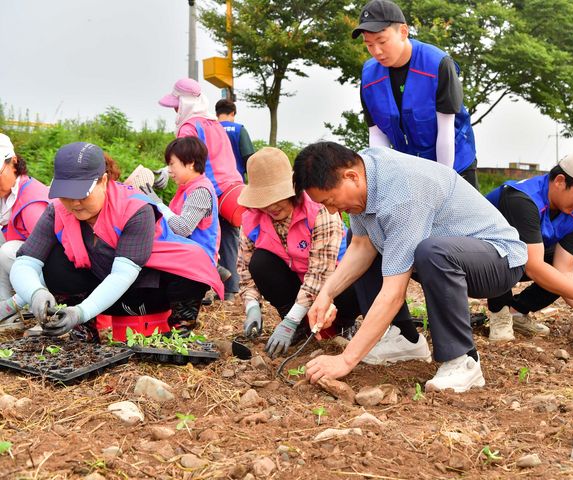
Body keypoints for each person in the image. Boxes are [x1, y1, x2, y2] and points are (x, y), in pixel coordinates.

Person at [292, 142, 528, 393]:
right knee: (359, 237)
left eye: (330, 200)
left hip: (497, 258)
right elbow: (362, 246)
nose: (331, 210)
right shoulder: (365, 176)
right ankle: (405, 338)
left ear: (351, 176)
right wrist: (326, 294)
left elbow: (393, 293)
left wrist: (346, 359)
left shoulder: (402, 195)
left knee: (432, 252)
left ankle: (464, 361)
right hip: (448, 253)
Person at [9, 142, 223, 339]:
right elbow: (25, 262)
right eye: (66, 194)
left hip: (149, 292)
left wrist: (81, 311)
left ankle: (179, 331)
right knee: (54, 259)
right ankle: (83, 331)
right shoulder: (57, 210)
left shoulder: (135, 208)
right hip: (100, 295)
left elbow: (123, 274)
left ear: (103, 181)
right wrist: (35, 293)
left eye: (82, 194)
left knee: (191, 263)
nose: (74, 203)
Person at [237, 147, 359, 357]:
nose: (271, 206)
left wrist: (289, 321)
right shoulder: (251, 220)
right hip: (296, 285)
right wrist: (251, 307)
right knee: (260, 262)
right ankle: (299, 326)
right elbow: (245, 271)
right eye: (264, 200)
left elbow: (320, 274)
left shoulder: (319, 210)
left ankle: (344, 325)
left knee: (351, 278)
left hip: (333, 284)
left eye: (277, 197)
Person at [485, 151, 573, 341]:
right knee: (505, 253)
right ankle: (500, 313)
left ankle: (516, 312)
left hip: (523, 259)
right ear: (560, 181)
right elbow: (534, 267)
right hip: (480, 259)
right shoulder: (522, 199)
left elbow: (565, 271)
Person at [354, 0, 478, 188]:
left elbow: (445, 130)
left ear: (403, 32)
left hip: (454, 162)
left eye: (382, 41)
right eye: (369, 45)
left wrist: (442, 183)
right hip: (409, 166)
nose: (376, 52)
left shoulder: (438, 64)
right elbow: (377, 134)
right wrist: (384, 178)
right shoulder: (369, 76)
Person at [158, 78, 245, 301]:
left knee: (197, 237)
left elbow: (185, 159)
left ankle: (205, 282)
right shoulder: (213, 123)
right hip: (233, 188)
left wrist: (166, 173)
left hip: (209, 188)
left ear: (184, 103)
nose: (175, 109)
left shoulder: (189, 127)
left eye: (176, 105)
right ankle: (230, 290)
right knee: (226, 239)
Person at [140, 137, 220, 264]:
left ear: (191, 163)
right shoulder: (187, 187)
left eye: (172, 164)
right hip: (185, 255)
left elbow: (182, 228)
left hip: (197, 262)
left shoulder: (200, 191)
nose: (169, 170)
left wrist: (157, 203)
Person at [0, 133, 50, 325]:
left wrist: (14, 302)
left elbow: (55, 261)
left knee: (7, 251)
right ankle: (9, 318)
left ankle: (41, 313)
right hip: (26, 268)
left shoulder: (31, 204)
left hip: (49, 271)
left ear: (13, 162)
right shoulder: (6, 196)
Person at [215, 99, 255, 178]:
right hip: (236, 181)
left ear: (217, 114)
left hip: (213, 183)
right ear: (232, 113)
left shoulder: (208, 130)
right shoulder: (239, 130)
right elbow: (249, 158)